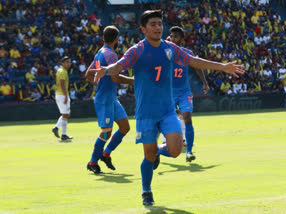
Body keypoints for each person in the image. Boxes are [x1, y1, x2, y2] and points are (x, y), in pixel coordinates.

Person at [91, 10, 244, 206]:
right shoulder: (136, 50)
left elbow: (194, 61)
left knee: (176, 149)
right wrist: (105, 70)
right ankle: (146, 190)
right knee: (148, 155)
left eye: (159, 23)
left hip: (167, 110)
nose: (157, 27)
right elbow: (119, 66)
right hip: (146, 113)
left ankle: (157, 153)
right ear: (143, 29)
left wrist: (222, 67)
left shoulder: (170, 48)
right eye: (153, 24)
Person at [85, 26, 134, 174]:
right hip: (105, 99)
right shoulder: (111, 55)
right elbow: (116, 78)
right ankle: (92, 162)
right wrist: (134, 81)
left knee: (125, 127)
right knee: (106, 132)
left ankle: (105, 154)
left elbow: (88, 74)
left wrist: (98, 81)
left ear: (103, 38)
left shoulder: (100, 52)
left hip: (110, 98)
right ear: (116, 39)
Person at [161, 26, 210, 162]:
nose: (173, 38)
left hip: (184, 92)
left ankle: (188, 152)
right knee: (165, 119)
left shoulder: (187, 53)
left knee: (187, 117)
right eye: (171, 36)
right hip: (169, 93)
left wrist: (204, 83)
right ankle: (161, 147)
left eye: (176, 36)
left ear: (182, 39)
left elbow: (197, 67)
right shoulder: (166, 52)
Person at [52, 56, 73, 140]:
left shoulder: (60, 71)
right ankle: (56, 128)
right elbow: (62, 84)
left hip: (60, 94)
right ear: (63, 63)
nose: (69, 64)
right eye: (67, 62)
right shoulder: (63, 71)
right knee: (65, 114)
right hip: (62, 94)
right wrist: (65, 96)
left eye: (69, 62)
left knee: (66, 114)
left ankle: (63, 134)